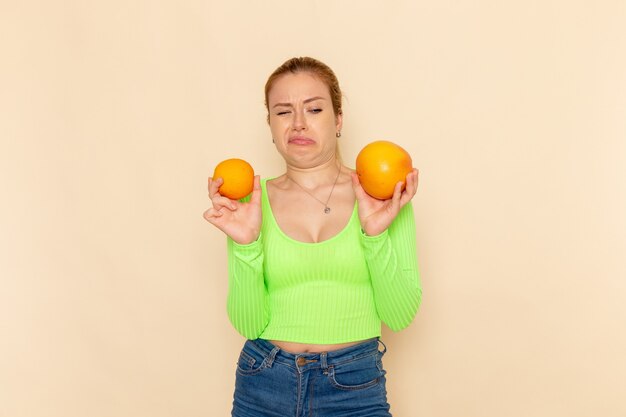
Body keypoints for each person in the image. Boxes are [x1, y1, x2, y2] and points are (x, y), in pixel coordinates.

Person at [203, 56, 421, 417]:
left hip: (354, 386)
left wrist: (375, 237)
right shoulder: (248, 204)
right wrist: (246, 246)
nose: (299, 123)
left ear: (337, 120)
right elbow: (248, 323)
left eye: (314, 109)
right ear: (270, 125)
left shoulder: (383, 198)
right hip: (263, 380)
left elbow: (399, 316)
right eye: (283, 112)